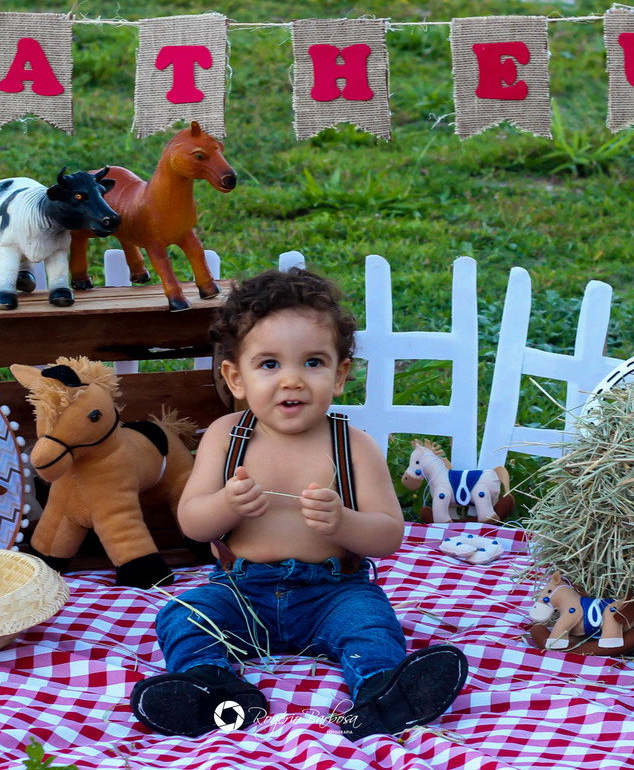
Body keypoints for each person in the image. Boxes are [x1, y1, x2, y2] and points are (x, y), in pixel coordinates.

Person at [130, 268, 468, 740]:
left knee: (370, 625)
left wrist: (342, 521)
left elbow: (389, 534)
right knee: (183, 616)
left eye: (312, 362)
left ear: (340, 374)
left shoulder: (353, 445)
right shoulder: (227, 438)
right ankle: (213, 688)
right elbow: (192, 523)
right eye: (269, 364)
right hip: (242, 591)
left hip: (331, 591)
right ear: (236, 378)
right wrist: (228, 504)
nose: (292, 380)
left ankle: (380, 692)